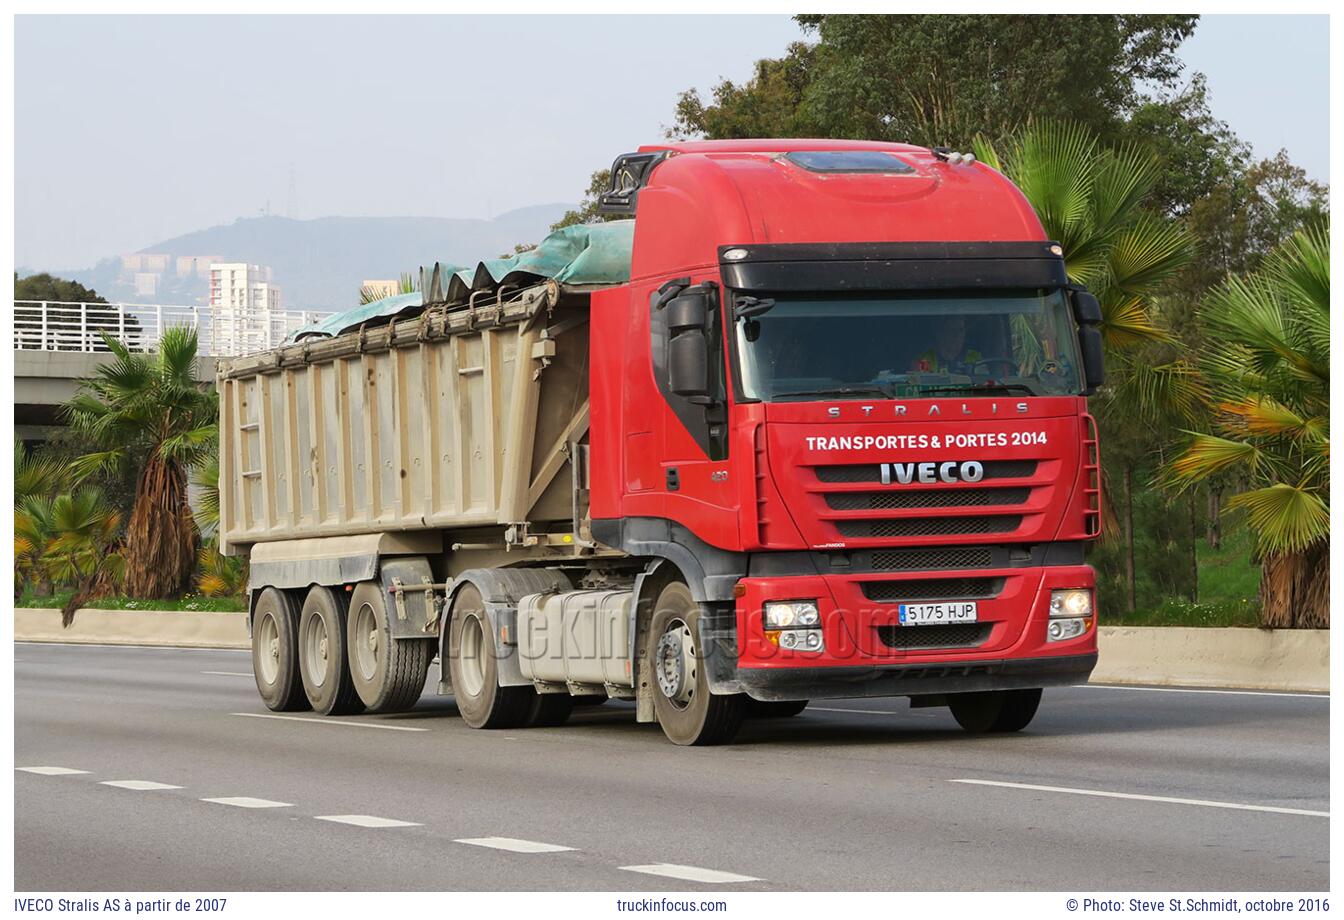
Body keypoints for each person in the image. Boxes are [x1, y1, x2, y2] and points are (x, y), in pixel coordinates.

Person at [910, 315, 981, 373]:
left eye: (961, 330)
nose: (957, 335)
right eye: (952, 330)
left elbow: (985, 383)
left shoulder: (975, 357)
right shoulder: (924, 360)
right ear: (940, 333)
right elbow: (923, 384)